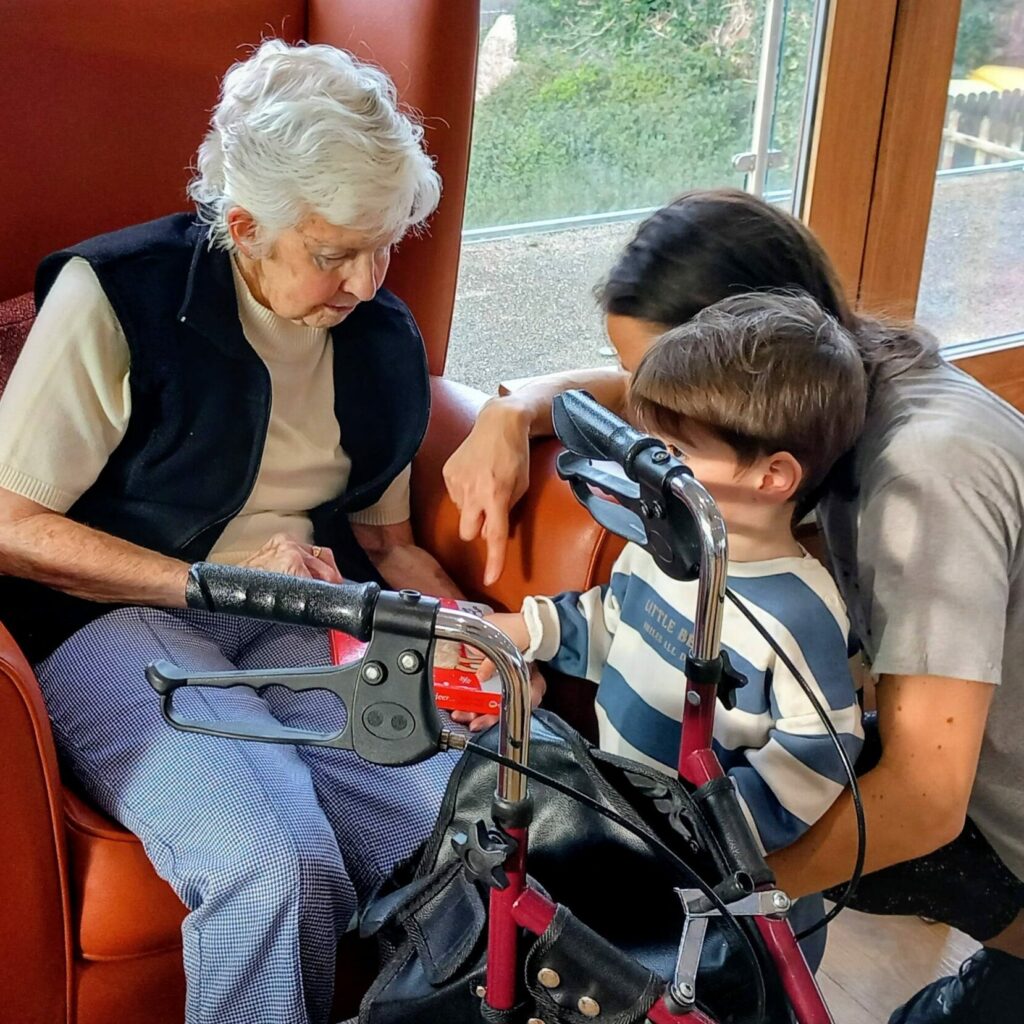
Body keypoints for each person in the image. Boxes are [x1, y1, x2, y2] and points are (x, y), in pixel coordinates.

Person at [445, 189, 1024, 1023]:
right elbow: (642, 391)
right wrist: (510, 409)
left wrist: (691, 908)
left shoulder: (928, 475)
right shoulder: (828, 389)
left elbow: (924, 799)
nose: (647, 442)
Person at [0, 40, 463, 1024]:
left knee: (462, 819)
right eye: (333, 251)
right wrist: (209, 579)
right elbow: (10, 525)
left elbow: (387, 547)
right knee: (271, 856)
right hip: (113, 622)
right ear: (243, 224)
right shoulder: (120, 296)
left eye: (384, 244)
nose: (367, 281)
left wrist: (466, 643)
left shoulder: (377, 334)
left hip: (304, 618)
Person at [482, 293, 866, 861]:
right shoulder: (659, 552)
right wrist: (515, 630)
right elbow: (612, 625)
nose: (647, 468)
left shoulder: (800, 613)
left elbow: (812, 763)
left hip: (711, 887)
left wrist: (699, 842)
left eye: (674, 452)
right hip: (629, 824)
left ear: (771, 476)